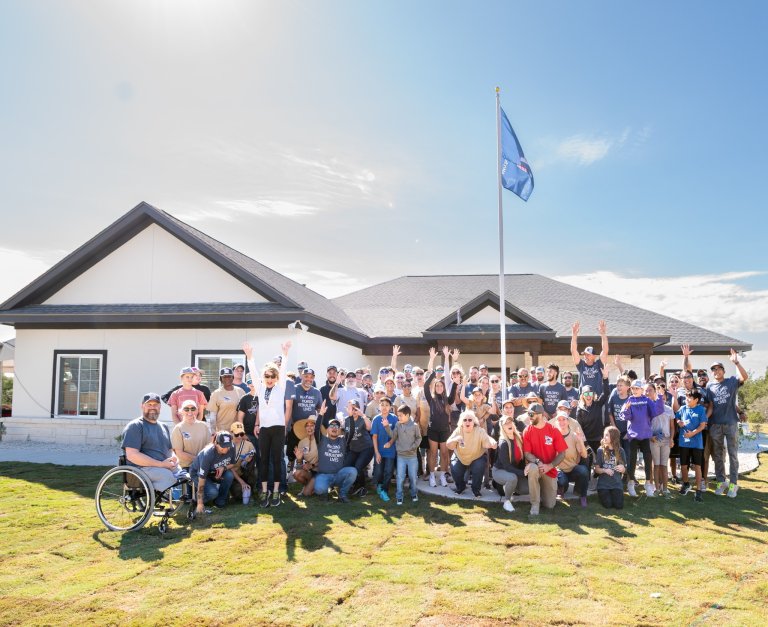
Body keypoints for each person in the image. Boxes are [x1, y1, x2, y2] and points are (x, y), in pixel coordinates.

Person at [243, 340, 291, 508]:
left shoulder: (281, 388)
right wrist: (250, 357)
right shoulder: (260, 387)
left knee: (277, 460)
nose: (269, 379)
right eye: (267, 376)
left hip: (278, 428)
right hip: (264, 429)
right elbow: (253, 371)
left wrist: (285, 354)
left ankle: (276, 490)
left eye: (272, 376)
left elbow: (283, 371)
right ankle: (265, 491)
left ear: (276, 378)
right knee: (263, 460)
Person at [122, 393, 185, 492]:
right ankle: (168, 497)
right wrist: (161, 464)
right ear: (142, 406)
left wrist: (174, 458)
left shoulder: (164, 426)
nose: (152, 407)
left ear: (160, 407)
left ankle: (185, 500)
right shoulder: (135, 426)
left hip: (163, 466)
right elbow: (132, 455)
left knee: (184, 476)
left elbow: (169, 450)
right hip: (142, 468)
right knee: (168, 476)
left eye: (155, 404)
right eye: (149, 404)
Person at [707, 350, 748, 498]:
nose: (716, 371)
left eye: (719, 369)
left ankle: (733, 484)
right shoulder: (710, 386)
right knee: (718, 456)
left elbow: (745, 377)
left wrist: (736, 362)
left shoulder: (731, 381)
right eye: (714, 369)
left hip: (730, 424)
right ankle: (721, 482)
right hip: (715, 425)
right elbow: (711, 406)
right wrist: (705, 419)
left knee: (733, 455)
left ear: (723, 371)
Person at [619, 380, 664, 497]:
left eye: (637, 388)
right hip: (633, 435)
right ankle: (631, 483)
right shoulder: (629, 400)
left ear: (642, 390)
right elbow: (624, 416)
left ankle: (648, 484)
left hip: (645, 435)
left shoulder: (647, 400)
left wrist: (659, 396)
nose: (634, 390)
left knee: (648, 459)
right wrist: (626, 409)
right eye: (633, 388)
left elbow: (657, 411)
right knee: (632, 460)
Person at [523, 403, 567, 516]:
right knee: (532, 468)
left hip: (549, 470)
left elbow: (562, 453)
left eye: (532, 414)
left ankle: (542, 491)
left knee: (550, 505)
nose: (529, 417)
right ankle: (535, 504)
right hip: (536, 466)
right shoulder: (527, 430)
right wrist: (538, 462)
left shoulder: (553, 430)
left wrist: (550, 466)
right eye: (528, 414)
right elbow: (527, 453)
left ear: (541, 415)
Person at [446, 410, 497, 498]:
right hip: (460, 457)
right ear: (461, 422)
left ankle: (476, 490)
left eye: (470, 420)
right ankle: (460, 487)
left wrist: (492, 443)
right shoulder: (458, 430)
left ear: (474, 422)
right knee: (454, 467)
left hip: (477, 457)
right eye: (465, 420)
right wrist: (455, 439)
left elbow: (487, 441)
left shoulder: (480, 431)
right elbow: (448, 444)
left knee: (479, 466)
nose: (467, 422)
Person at [423, 348, 452, 487]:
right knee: (433, 453)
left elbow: (454, 387)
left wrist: (456, 382)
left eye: (441, 385)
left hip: (445, 430)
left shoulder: (447, 400)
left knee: (445, 454)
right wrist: (434, 372)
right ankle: (432, 476)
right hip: (433, 430)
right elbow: (425, 385)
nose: (439, 387)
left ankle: (443, 476)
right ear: (435, 387)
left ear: (444, 388)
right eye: (437, 385)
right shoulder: (431, 399)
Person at [191, 431, 238, 515]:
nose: (226, 449)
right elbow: (201, 481)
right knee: (213, 492)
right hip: (198, 473)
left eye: (228, 446)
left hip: (213, 472)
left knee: (229, 475)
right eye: (223, 446)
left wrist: (224, 468)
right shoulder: (207, 454)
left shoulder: (232, 447)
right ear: (216, 443)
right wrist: (200, 503)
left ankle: (220, 501)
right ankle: (196, 502)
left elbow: (233, 464)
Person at [383, 404, 421, 505]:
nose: (398, 417)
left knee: (413, 477)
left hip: (412, 457)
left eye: (400, 415)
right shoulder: (397, 425)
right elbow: (393, 436)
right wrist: (386, 427)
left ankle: (414, 493)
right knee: (400, 477)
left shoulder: (415, 426)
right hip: (401, 456)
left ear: (407, 415)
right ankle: (399, 496)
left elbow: (419, 438)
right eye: (398, 415)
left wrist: (413, 447)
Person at [288, 367, 323, 473]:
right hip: (295, 427)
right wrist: (288, 424)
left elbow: (319, 409)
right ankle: (290, 472)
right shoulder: (294, 389)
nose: (309, 379)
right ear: (301, 376)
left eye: (311, 377)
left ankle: (309, 471)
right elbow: (288, 407)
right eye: (306, 376)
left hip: (310, 427)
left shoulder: (316, 392)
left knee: (309, 450)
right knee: (292, 451)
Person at [313, 417, 357, 503]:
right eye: (331, 426)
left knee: (352, 471)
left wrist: (351, 416)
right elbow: (317, 430)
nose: (334, 428)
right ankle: (325, 493)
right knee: (319, 489)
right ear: (327, 429)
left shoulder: (343, 441)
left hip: (338, 475)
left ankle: (342, 494)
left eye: (337, 426)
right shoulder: (322, 440)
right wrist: (321, 414)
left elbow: (351, 432)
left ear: (339, 430)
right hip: (324, 475)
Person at [676, 389, 708, 502]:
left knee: (697, 466)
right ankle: (686, 484)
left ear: (696, 400)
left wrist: (692, 433)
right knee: (684, 466)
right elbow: (677, 417)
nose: (687, 399)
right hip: (684, 442)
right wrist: (678, 422)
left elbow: (702, 425)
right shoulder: (682, 408)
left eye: (690, 397)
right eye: (686, 397)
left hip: (696, 443)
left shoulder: (701, 409)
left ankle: (698, 491)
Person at [554, 410, 589, 506]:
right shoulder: (554, 436)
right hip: (560, 470)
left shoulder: (574, 435)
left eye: (564, 419)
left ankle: (583, 495)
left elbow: (585, 455)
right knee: (562, 482)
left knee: (583, 470)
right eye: (559, 420)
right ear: (556, 422)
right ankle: (561, 489)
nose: (561, 422)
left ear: (568, 421)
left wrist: (580, 441)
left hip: (573, 469)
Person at [493, 415, 526, 512]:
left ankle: (508, 487)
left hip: (512, 471)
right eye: (506, 423)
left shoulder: (519, 437)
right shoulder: (503, 443)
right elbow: (507, 466)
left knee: (526, 489)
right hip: (499, 471)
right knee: (512, 478)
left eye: (510, 422)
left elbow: (521, 459)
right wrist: (523, 473)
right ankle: (507, 501)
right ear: (502, 427)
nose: (509, 424)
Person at [570, 320, 609, 396]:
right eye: (584, 354)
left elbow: (605, 351)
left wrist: (603, 334)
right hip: (583, 398)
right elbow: (573, 351)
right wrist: (574, 335)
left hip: (596, 398)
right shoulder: (581, 365)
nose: (585, 356)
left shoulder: (598, 364)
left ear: (594, 356)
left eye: (588, 354)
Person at [170, 399, 212, 470]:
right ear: (181, 412)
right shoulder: (178, 428)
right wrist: (198, 459)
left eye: (193, 409)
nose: (190, 411)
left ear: (197, 411)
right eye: (186, 409)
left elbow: (209, 446)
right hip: (187, 467)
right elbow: (179, 453)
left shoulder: (204, 426)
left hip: (204, 465)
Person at [344, 399, 374, 496]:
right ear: (347, 409)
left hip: (366, 448)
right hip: (354, 449)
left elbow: (370, 428)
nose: (353, 411)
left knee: (358, 466)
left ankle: (362, 487)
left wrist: (363, 415)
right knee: (346, 465)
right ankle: (352, 484)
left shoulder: (362, 418)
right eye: (351, 408)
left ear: (359, 409)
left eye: (355, 408)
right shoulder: (346, 420)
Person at [650, 383, 675, 497]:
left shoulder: (669, 410)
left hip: (666, 439)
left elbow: (672, 427)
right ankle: (656, 488)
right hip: (654, 440)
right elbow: (647, 424)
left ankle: (665, 489)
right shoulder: (652, 408)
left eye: (664, 398)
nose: (662, 400)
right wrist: (651, 436)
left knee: (664, 465)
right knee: (656, 465)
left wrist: (671, 439)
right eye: (660, 398)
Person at [371, 397, 397, 501]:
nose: (384, 407)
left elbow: (396, 434)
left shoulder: (394, 418)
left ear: (390, 407)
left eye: (387, 405)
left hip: (390, 450)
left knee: (389, 471)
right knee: (379, 471)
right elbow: (374, 437)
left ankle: (384, 490)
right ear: (379, 407)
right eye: (382, 405)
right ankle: (379, 484)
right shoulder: (376, 419)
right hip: (379, 450)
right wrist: (377, 452)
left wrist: (390, 443)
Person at [594, 426, 626, 510]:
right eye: (604, 435)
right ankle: (604, 494)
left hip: (616, 484)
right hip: (603, 485)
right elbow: (596, 469)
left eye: (607, 435)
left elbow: (625, 470)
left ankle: (614, 494)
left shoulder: (621, 451)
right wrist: (605, 470)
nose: (604, 437)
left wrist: (623, 469)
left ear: (613, 437)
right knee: (608, 505)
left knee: (619, 506)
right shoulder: (600, 450)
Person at [208, 367, 246, 432]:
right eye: (224, 377)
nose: (227, 379)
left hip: (237, 432)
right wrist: (213, 432)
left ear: (233, 378)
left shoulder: (240, 391)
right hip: (222, 431)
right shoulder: (216, 393)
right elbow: (212, 417)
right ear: (220, 379)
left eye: (229, 376)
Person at [229, 421, 257, 502]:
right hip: (232, 475)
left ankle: (250, 491)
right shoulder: (227, 446)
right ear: (231, 433)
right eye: (236, 434)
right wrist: (242, 482)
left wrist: (250, 458)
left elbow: (253, 456)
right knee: (238, 494)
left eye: (241, 434)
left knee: (255, 471)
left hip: (243, 473)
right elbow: (229, 468)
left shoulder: (248, 444)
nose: (239, 437)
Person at [293, 415, 320, 498]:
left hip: (320, 472)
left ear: (316, 427)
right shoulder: (302, 442)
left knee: (306, 494)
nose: (309, 428)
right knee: (296, 474)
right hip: (310, 472)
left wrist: (312, 465)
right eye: (307, 426)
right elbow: (299, 465)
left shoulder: (321, 440)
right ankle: (309, 486)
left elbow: (326, 460)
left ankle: (310, 488)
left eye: (312, 425)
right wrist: (299, 459)